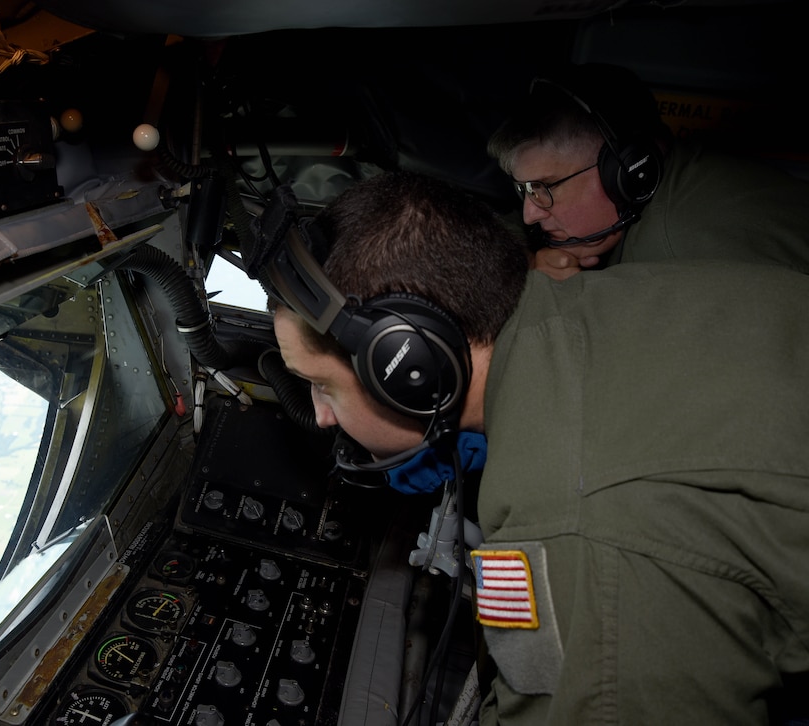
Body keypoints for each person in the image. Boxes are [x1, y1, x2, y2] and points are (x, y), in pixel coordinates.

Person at [264, 169, 809, 724]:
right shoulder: (607, 297)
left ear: (404, 364)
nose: (322, 416)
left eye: (322, 385)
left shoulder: (569, 525)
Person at [486, 62, 809, 280]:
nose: (530, 214)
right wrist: (523, 263)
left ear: (628, 172)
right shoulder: (677, 172)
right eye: (525, 189)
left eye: (545, 187)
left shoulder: (685, 256)